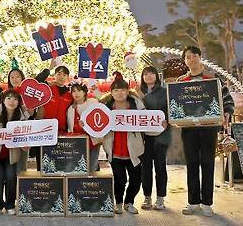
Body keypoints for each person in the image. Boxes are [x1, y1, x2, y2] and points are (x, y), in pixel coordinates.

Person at [177, 46, 235, 217]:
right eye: (187, 57)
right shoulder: (181, 81)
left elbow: (227, 99)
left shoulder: (213, 78)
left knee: (208, 164)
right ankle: (193, 202)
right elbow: (176, 103)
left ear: (200, 57)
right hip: (188, 129)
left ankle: (207, 203)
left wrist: (227, 112)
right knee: (192, 165)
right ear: (185, 61)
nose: (191, 60)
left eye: (194, 56)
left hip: (209, 128)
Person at [96, 76, 145, 215]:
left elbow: (148, 119)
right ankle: (118, 203)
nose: (120, 93)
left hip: (134, 151)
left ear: (128, 91)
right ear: (111, 92)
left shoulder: (136, 103)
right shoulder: (106, 106)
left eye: (123, 90)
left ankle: (129, 202)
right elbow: (96, 123)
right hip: (115, 150)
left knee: (136, 180)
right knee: (120, 180)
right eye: (116, 90)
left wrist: (160, 123)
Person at [137, 66, 170, 211]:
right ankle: (147, 197)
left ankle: (161, 198)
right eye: (145, 74)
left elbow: (170, 109)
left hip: (161, 135)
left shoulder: (164, 92)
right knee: (146, 168)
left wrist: (167, 120)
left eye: (151, 73)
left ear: (157, 76)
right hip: (144, 137)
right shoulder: (138, 93)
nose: (148, 76)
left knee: (160, 167)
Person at [66, 82, 100, 173]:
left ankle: (91, 185)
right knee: (78, 168)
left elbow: (104, 102)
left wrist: (96, 90)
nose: (76, 94)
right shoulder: (70, 109)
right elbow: (70, 128)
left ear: (85, 92)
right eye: (73, 91)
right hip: (77, 143)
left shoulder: (93, 102)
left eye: (79, 91)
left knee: (92, 167)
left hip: (93, 141)